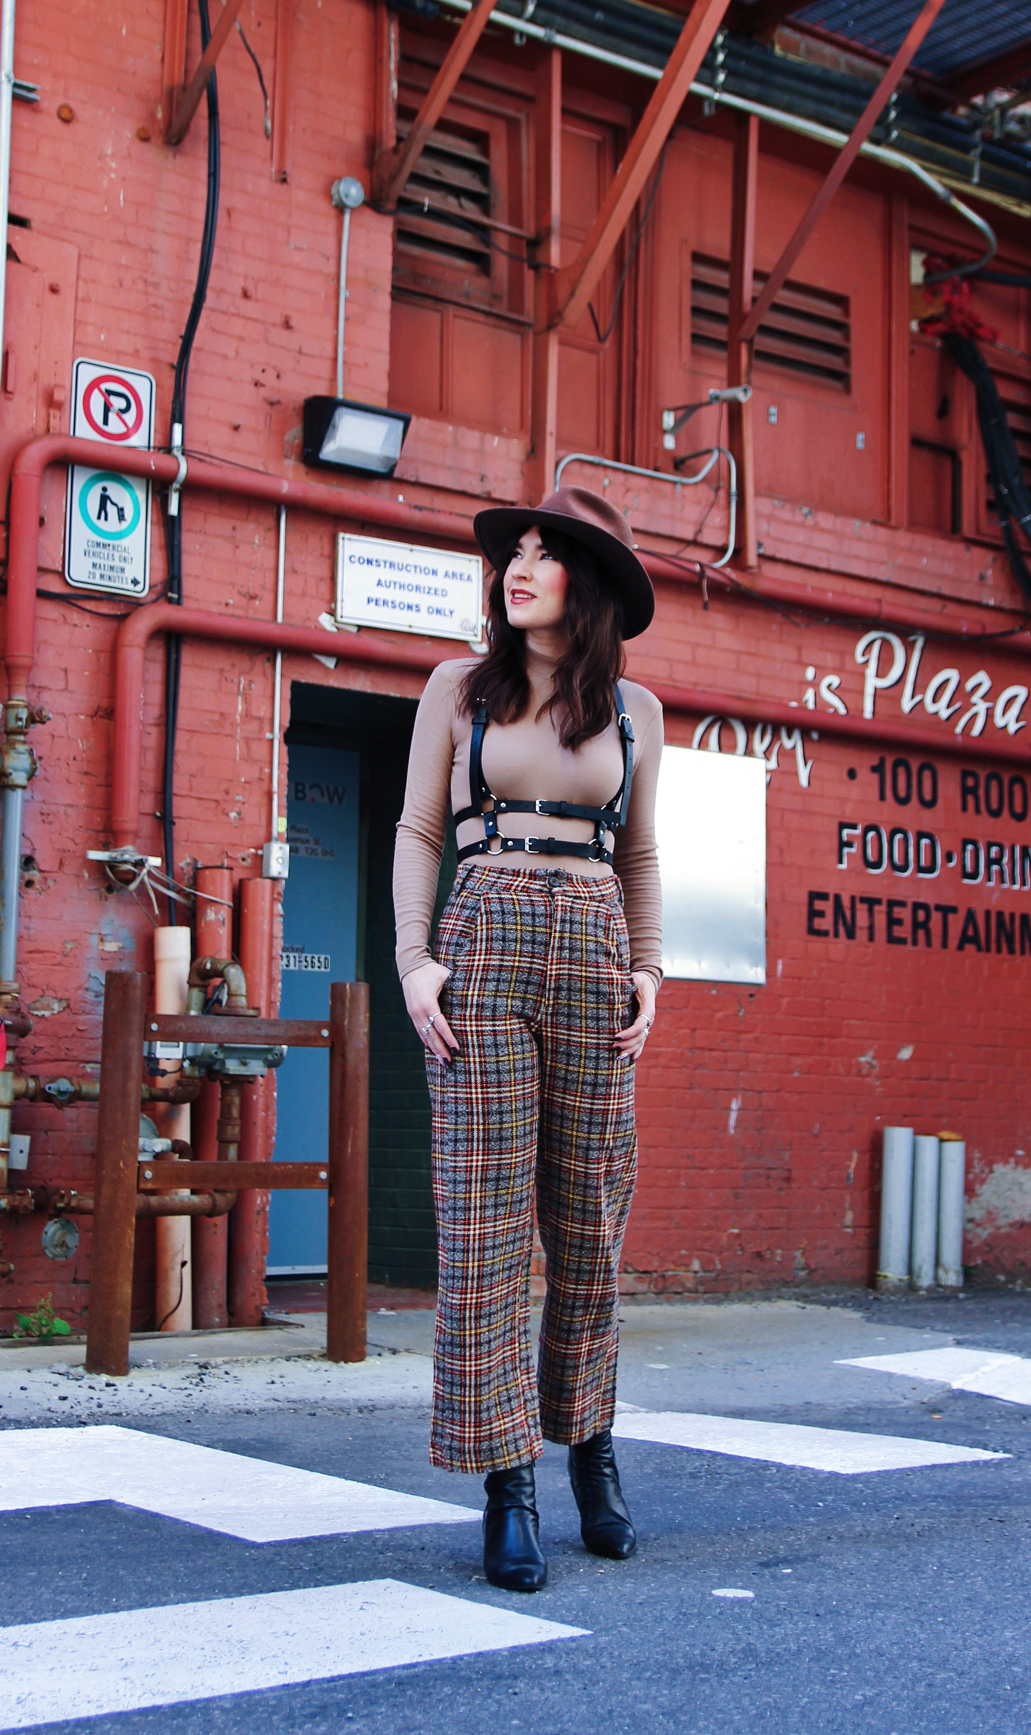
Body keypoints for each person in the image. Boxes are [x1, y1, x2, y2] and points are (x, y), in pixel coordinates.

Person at [393, 485, 663, 1593]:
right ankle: (509, 1485)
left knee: (589, 1220)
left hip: (595, 944)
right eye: (516, 552)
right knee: (485, 1226)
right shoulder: (458, 688)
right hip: (485, 938)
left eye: (546, 554)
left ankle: (590, 1446)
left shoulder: (635, 709)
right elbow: (419, 829)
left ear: (584, 585)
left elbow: (639, 855)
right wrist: (415, 959)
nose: (519, 567)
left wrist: (649, 970)